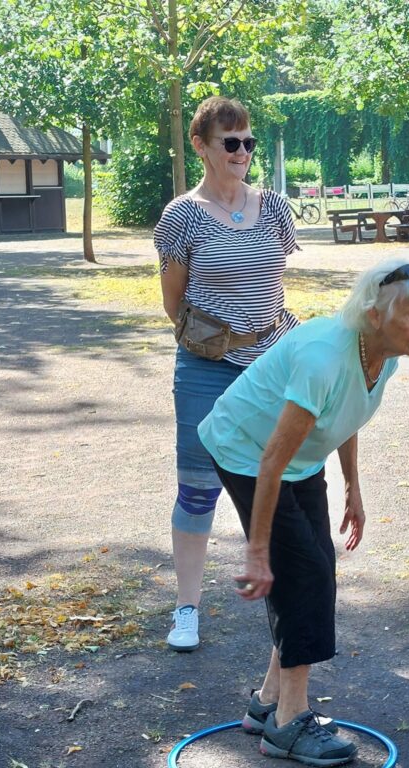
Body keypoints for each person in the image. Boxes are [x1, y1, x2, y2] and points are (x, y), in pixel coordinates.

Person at [199, 259, 409, 766]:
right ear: (375, 314)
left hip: (299, 458)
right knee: (304, 571)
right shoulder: (323, 355)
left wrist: (353, 486)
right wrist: (257, 551)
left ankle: (268, 704)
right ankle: (288, 723)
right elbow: (270, 461)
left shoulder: (386, 352)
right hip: (247, 450)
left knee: (311, 567)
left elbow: (348, 410)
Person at [154, 96, 300, 652]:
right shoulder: (182, 216)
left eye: (248, 143)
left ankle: (286, 598)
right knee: (197, 489)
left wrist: (263, 341)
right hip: (206, 367)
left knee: (281, 478)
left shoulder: (276, 208)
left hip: (273, 360)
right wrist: (218, 342)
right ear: (201, 146)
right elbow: (175, 301)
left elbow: (272, 280)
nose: (242, 153)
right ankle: (186, 610)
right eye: (230, 142)